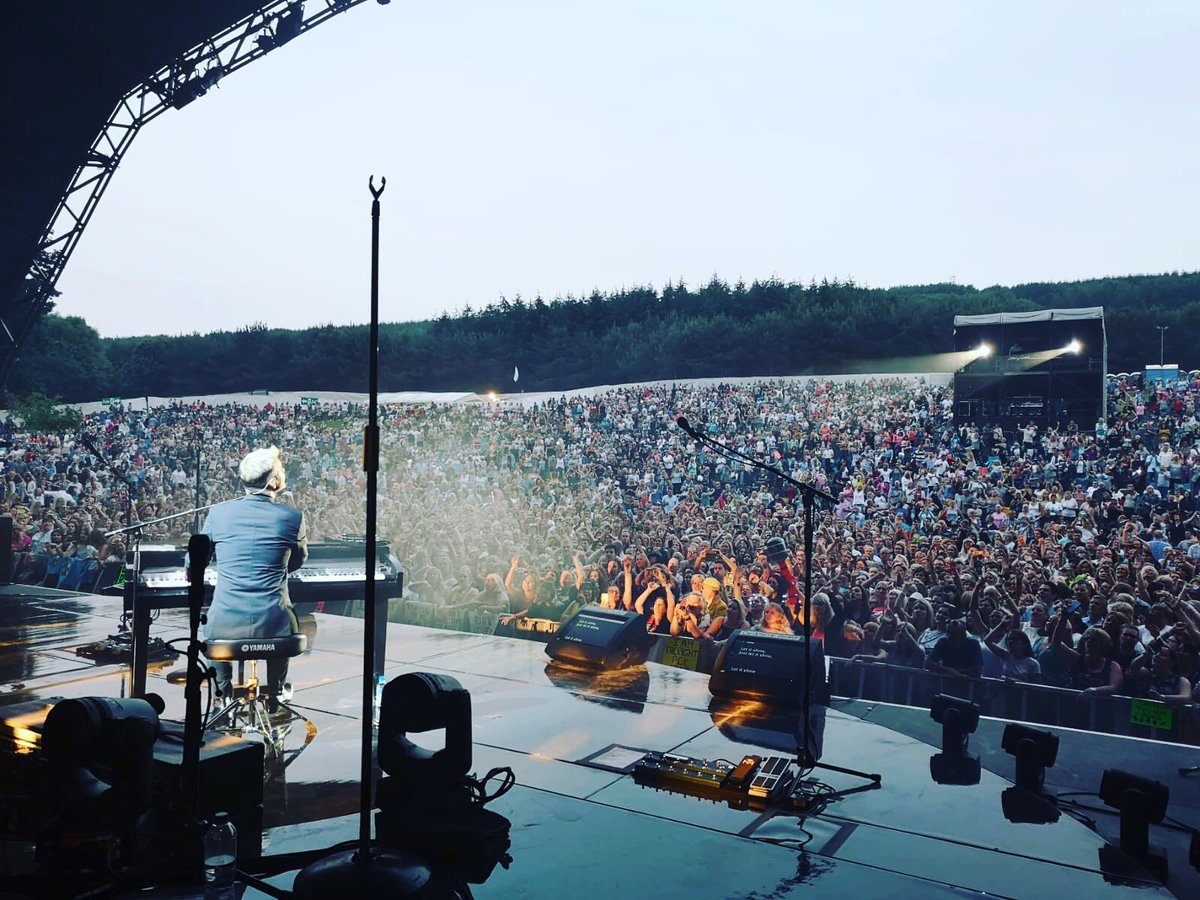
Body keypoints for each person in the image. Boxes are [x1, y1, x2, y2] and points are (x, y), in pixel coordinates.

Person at [202, 447, 308, 704]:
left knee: (215, 629)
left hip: (225, 623)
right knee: (286, 615)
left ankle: (222, 695)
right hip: (274, 622)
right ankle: (276, 693)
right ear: (273, 481)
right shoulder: (292, 517)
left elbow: (194, 561)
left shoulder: (218, 513)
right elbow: (298, 560)